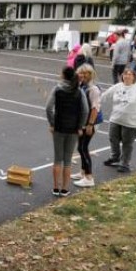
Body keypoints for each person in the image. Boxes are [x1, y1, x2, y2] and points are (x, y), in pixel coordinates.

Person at [100, 68, 136, 173]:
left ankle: (124, 163)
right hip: (116, 119)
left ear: (134, 77)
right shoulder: (118, 86)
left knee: (127, 143)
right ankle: (115, 157)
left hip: (132, 122)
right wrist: (95, 103)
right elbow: (105, 95)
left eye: (130, 74)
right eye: (125, 74)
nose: (127, 76)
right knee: (113, 138)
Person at [46, 66, 89, 196]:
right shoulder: (79, 90)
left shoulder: (57, 89)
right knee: (68, 160)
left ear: (63, 75)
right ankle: (65, 189)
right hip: (73, 129)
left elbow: (48, 108)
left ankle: (55, 187)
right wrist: (80, 126)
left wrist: (52, 123)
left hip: (59, 127)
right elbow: (85, 110)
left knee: (57, 159)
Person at [72, 64, 101, 187]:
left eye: (85, 73)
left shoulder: (93, 89)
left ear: (91, 74)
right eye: (80, 73)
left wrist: (90, 124)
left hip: (91, 122)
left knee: (83, 148)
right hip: (83, 122)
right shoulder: (82, 86)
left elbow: (95, 108)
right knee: (80, 148)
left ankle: (89, 178)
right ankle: (83, 172)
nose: (82, 75)